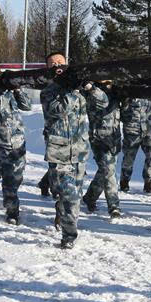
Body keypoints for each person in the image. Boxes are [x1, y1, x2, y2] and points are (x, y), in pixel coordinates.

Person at [39, 51, 108, 249]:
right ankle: (69, 236)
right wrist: (69, 89)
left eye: (60, 62)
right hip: (59, 152)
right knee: (71, 196)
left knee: (73, 194)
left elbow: (103, 102)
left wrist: (87, 85)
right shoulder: (49, 92)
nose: (57, 66)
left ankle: (61, 213)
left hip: (79, 151)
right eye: (52, 64)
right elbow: (59, 111)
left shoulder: (79, 88)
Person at [0, 63, 32, 223]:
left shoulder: (11, 90)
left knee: (14, 178)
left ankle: (11, 208)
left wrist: (16, 89)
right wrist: (1, 90)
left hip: (17, 142)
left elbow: (27, 106)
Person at [82, 80, 122, 219]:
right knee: (109, 172)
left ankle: (89, 197)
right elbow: (101, 100)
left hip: (114, 139)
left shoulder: (116, 92)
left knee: (104, 172)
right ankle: (114, 206)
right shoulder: (92, 92)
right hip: (99, 139)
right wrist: (92, 87)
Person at [119, 96, 151, 193]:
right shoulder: (127, 93)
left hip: (147, 130)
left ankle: (149, 183)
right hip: (132, 131)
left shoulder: (147, 91)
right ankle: (124, 181)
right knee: (129, 158)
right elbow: (122, 114)